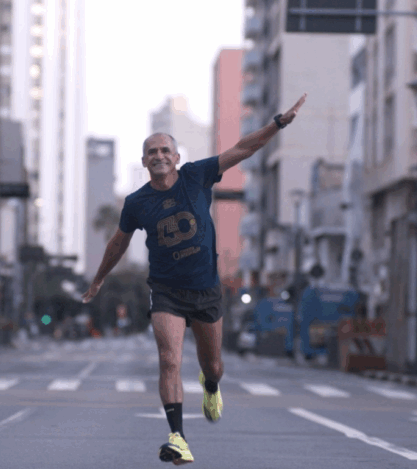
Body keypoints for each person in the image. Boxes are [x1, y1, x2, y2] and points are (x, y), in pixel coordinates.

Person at [82, 94, 307, 465]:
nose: (158, 156)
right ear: (144, 161)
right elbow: (118, 243)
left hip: (206, 291)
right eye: (151, 152)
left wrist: (278, 124)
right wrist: (98, 280)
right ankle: (177, 437)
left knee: (213, 365)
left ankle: (211, 385)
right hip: (166, 291)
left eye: (164, 150)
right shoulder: (137, 203)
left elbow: (244, 148)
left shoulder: (196, 176)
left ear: (176, 157)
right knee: (169, 360)